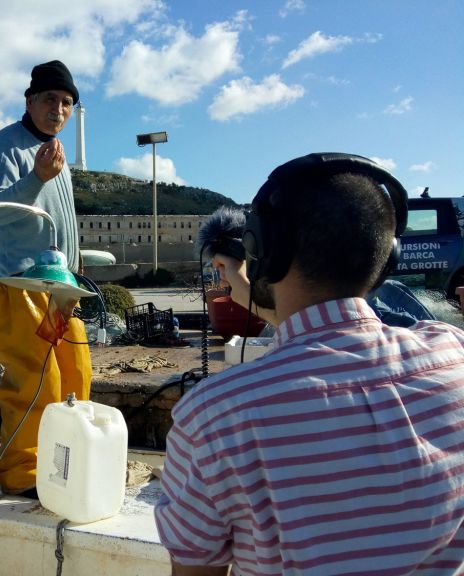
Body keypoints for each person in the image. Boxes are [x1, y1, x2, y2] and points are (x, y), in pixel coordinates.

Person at [155, 153, 464, 575]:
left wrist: (251, 286)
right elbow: (323, 336)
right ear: (386, 257)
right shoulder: (453, 355)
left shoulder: (215, 416)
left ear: (265, 250)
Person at [0, 60, 91, 496]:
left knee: (76, 374)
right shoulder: (7, 145)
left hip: (61, 285)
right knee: (33, 381)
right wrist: (35, 178)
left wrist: (77, 264)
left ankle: (71, 461)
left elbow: (62, 219)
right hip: (21, 282)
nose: (59, 109)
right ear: (29, 101)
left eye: (66, 102)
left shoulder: (56, 151)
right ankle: (23, 474)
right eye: (50, 99)